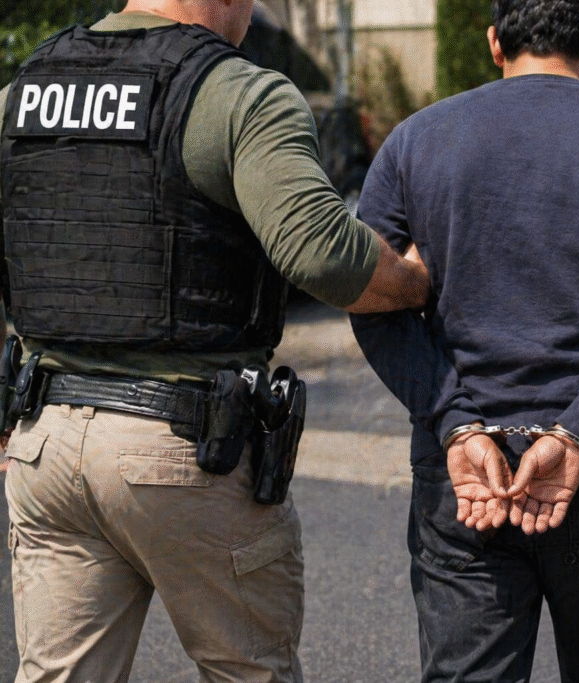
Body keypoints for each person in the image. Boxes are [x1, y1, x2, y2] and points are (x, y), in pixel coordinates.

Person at [0, 1, 429, 681]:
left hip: (45, 441)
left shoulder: (27, 90)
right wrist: (411, 279)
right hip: (183, 445)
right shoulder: (239, 92)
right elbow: (320, 251)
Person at [348, 1, 579, 680]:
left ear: (493, 43)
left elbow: (371, 304)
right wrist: (578, 430)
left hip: (466, 477)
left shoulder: (416, 141)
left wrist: (457, 425)